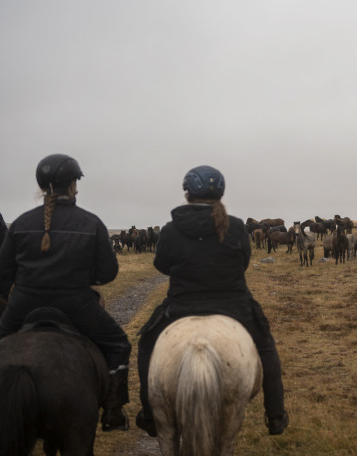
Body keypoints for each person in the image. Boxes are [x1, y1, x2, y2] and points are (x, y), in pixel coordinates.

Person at [135, 165, 288, 436]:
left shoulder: (171, 229)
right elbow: (243, 262)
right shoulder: (237, 226)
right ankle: (275, 415)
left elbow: (161, 265)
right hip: (234, 305)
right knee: (265, 345)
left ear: (187, 194)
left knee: (146, 341)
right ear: (220, 194)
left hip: (181, 306)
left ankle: (149, 415)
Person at [0, 153, 131, 431]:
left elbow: (3, 271)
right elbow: (108, 273)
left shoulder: (20, 224)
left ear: (42, 186)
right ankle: (112, 410)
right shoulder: (91, 223)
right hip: (76, 304)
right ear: (73, 184)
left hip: (23, 304)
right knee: (119, 344)